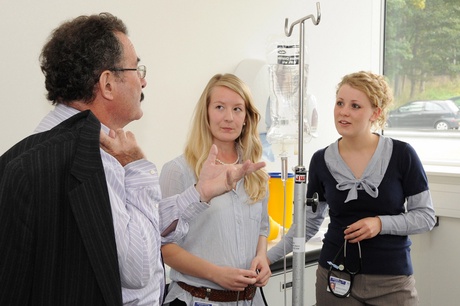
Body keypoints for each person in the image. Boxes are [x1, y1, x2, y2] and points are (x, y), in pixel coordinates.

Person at [0, 14, 265, 306]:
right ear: (108, 84)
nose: (143, 80)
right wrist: (139, 170)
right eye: (136, 68)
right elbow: (138, 267)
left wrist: (198, 195)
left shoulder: (33, 150)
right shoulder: (97, 158)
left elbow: (123, 232)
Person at [267, 71, 437, 305]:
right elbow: (307, 223)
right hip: (335, 277)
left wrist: (380, 223)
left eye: (355, 106)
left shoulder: (402, 155)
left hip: (391, 280)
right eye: (340, 103)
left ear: (375, 113)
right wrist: (267, 259)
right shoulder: (321, 160)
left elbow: (425, 217)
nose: (343, 112)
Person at [159, 73, 272, 305]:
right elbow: (164, 247)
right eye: (220, 107)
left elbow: (261, 228)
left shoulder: (255, 173)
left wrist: (262, 257)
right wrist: (216, 274)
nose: (229, 118)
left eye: (237, 109)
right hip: (200, 298)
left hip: (250, 299)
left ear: (247, 118)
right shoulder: (179, 170)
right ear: (206, 113)